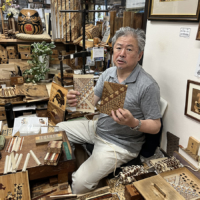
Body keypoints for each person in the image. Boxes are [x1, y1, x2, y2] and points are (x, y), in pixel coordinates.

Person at [57, 27, 161, 194]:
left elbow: (156, 125)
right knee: (58, 130)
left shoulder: (148, 85)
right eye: (118, 47)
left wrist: (133, 123)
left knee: (79, 184)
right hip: (98, 127)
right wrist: (74, 102)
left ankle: (84, 179)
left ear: (139, 55)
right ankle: (76, 165)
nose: (122, 54)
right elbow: (90, 104)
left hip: (119, 143)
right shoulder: (108, 73)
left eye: (129, 49)